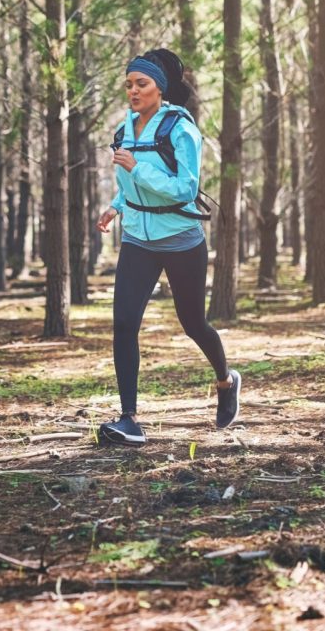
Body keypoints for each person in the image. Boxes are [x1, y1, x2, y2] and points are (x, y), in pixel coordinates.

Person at [94, 48, 239, 446]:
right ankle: (129, 420)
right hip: (138, 239)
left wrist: (137, 168)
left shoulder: (180, 129)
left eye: (142, 84)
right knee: (124, 323)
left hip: (180, 240)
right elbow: (130, 186)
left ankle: (226, 381)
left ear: (161, 88)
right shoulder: (124, 129)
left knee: (194, 324)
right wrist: (115, 206)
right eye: (128, 85)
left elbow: (185, 188)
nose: (133, 91)